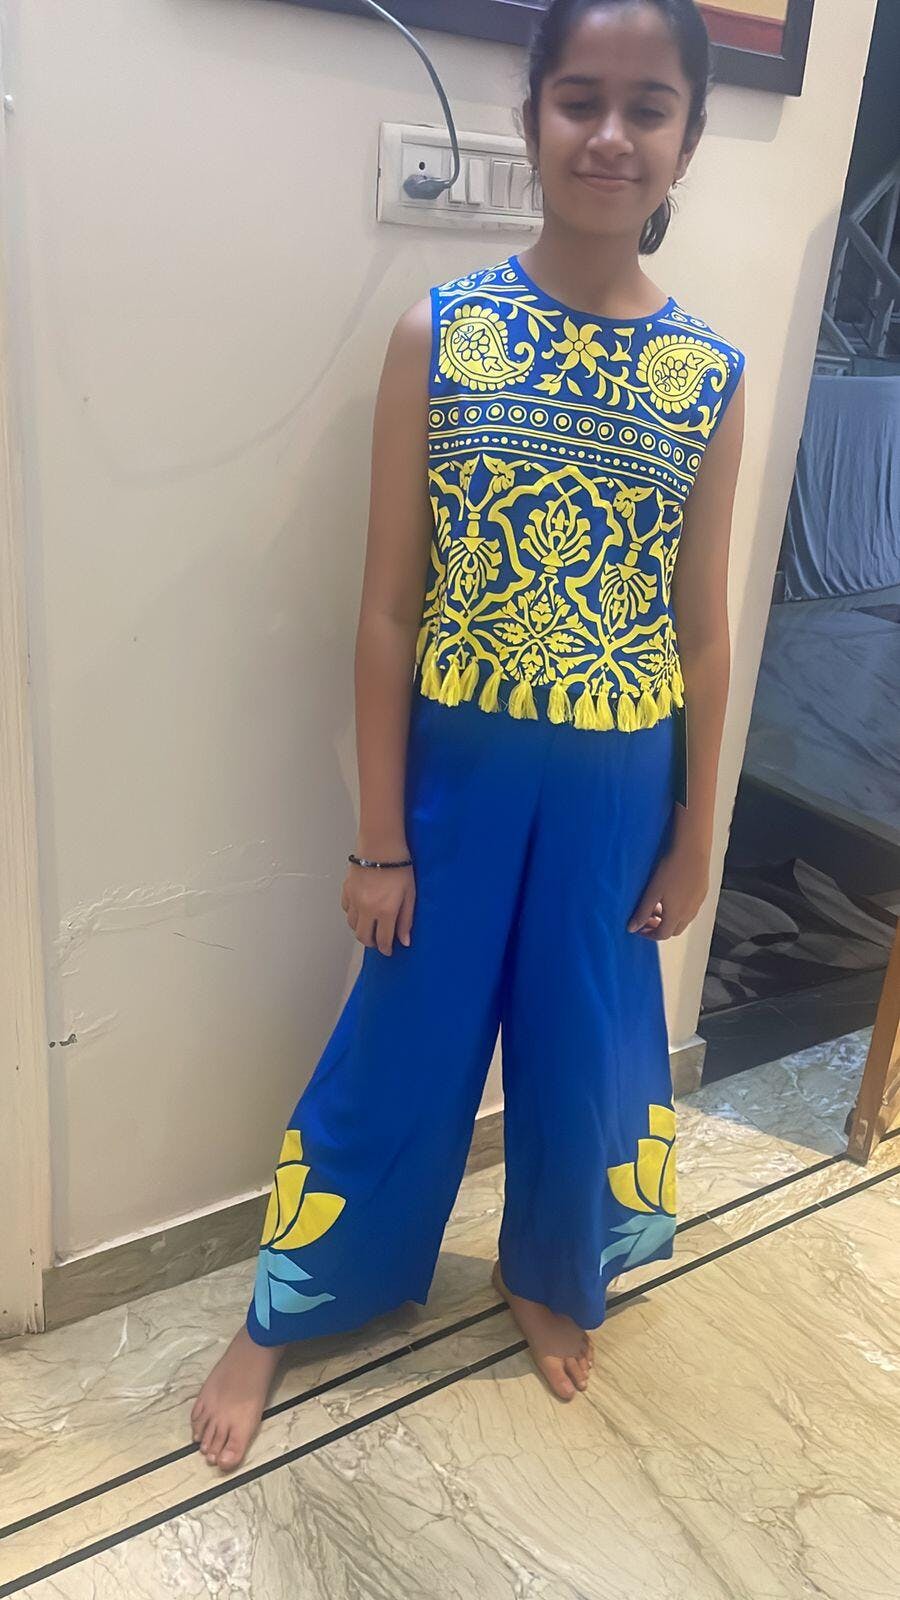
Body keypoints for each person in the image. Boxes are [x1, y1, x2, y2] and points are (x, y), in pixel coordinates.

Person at [190, 0, 746, 1472]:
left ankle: (550, 1272)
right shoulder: (439, 336)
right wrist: (379, 838)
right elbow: (386, 610)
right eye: (580, 99)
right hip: (459, 780)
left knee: (590, 1049)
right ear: (530, 116)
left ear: (690, 134)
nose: (611, 134)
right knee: (403, 1038)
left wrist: (696, 832)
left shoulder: (711, 374)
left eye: (648, 106)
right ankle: (294, 1297)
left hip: (620, 784)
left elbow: (700, 633)